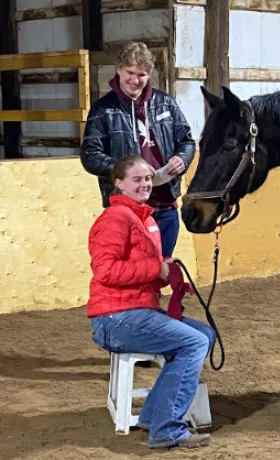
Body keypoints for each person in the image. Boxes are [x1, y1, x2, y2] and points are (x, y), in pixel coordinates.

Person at [87, 155, 215, 450]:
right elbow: (106, 271)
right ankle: (167, 428)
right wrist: (156, 269)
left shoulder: (142, 218)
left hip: (133, 310)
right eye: (137, 179)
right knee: (193, 343)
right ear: (118, 183)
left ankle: (153, 414)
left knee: (204, 336)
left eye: (147, 178)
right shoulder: (116, 218)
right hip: (116, 318)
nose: (145, 184)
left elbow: (138, 273)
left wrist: (166, 273)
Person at [80, 41, 195, 259]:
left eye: (141, 74)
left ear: (149, 74)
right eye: (129, 72)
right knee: (136, 269)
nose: (134, 80)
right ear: (118, 70)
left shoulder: (167, 104)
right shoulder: (103, 109)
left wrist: (182, 158)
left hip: (166, 204)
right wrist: (126, 171)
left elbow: (187, 141)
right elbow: (90, 155)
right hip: (127, 210)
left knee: (162, 268)